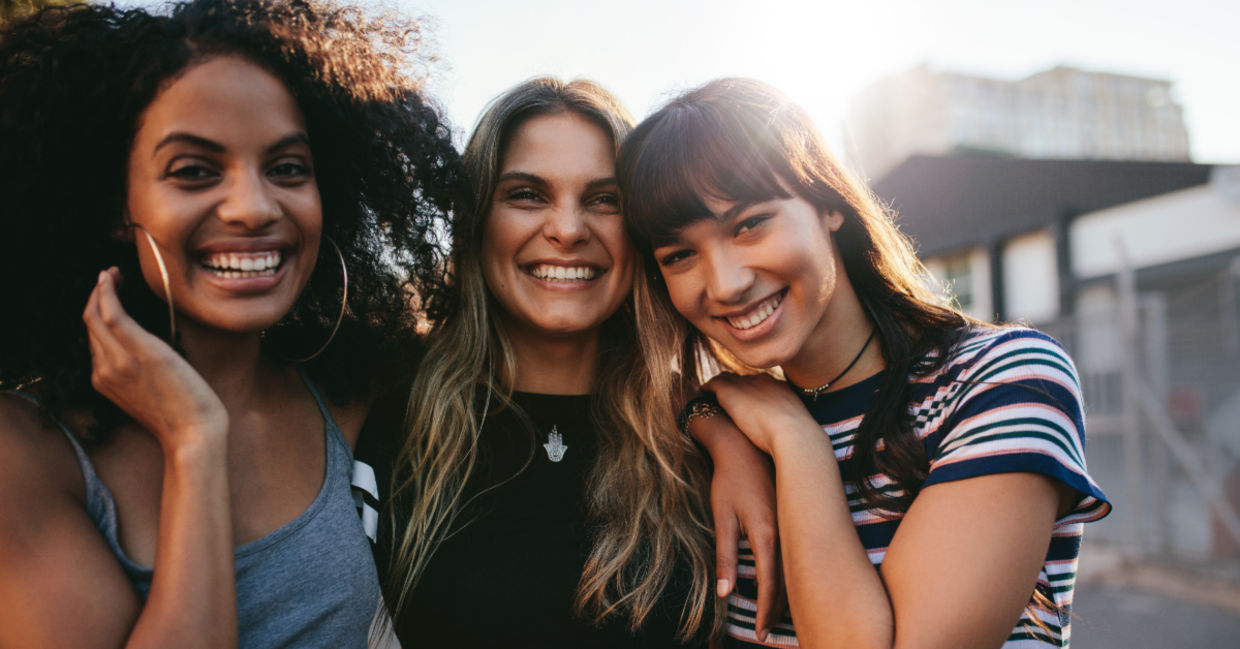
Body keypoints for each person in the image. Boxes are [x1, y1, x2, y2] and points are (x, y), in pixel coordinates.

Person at [0, 1, 457, 647]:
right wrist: (194, 439)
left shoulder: (356, 393)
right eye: (194, 171)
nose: (253, 206)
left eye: (288, 168)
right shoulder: (25, 452)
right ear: (112, 204)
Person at [618, 77, 1112, 649]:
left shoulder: (1000, 380)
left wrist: (796, 443)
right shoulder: (730, 422)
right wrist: (709, 419)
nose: (725, 284)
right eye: (680, 256)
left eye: (750, 223)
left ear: (828, 203)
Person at [369, 77, 780, 648]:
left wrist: (719, 429)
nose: (567, 229)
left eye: (603, 200)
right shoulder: (382, 420)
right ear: (475, 221)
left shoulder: (706, 447)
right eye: (527, 194)